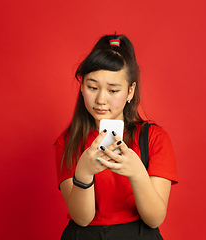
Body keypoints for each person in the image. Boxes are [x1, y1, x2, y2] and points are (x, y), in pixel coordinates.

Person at [55, 34, 178, 240]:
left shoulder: (154, 138)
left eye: (113, 90)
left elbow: (155, 218)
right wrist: (83, 174)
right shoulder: (68, 142)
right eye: (92, 87)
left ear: (130, 92)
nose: (101, 99)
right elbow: (82, 218)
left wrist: (137, 173)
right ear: (82, 87)